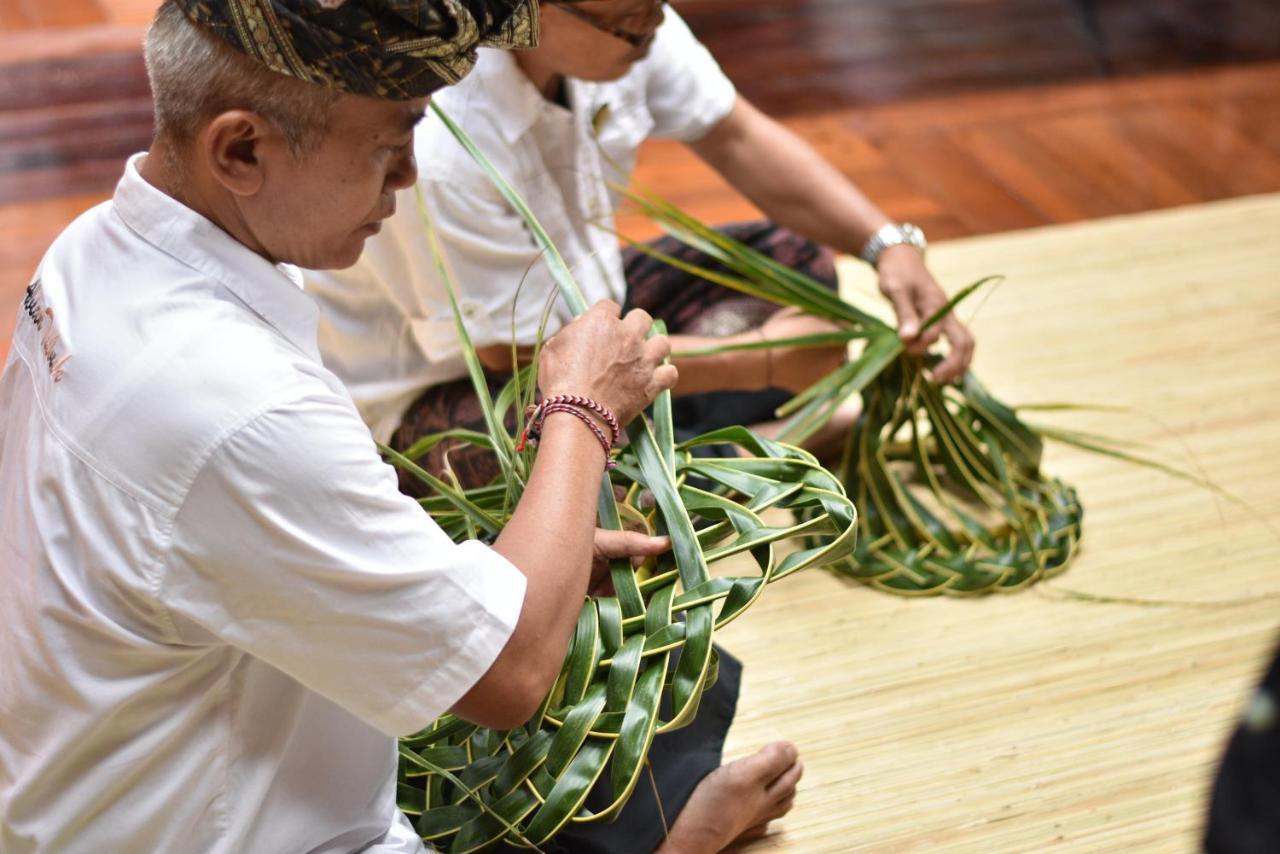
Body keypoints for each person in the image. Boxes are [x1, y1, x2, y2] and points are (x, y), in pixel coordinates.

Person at [0, 2, 800, 852]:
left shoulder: (91, 252)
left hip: (84, 796)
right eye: (388, 145)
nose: (410, 175)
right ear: (240, 150)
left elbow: (227, 530)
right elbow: (508, 677)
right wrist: (581, 409)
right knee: (574, 714)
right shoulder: (239, 408)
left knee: (584, 629)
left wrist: (506, 561)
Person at [304, 0, 977, 489]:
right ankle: (731, 459)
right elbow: (509, 352)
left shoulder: (630, 21)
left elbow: (735, 133)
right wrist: (758, 361)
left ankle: (696, 453)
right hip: (451, 388)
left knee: (791, 263)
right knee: (551, 471)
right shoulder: (442, 138)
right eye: (629, 14)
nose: (655, 17)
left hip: (591, 311)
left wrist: (888, 244)